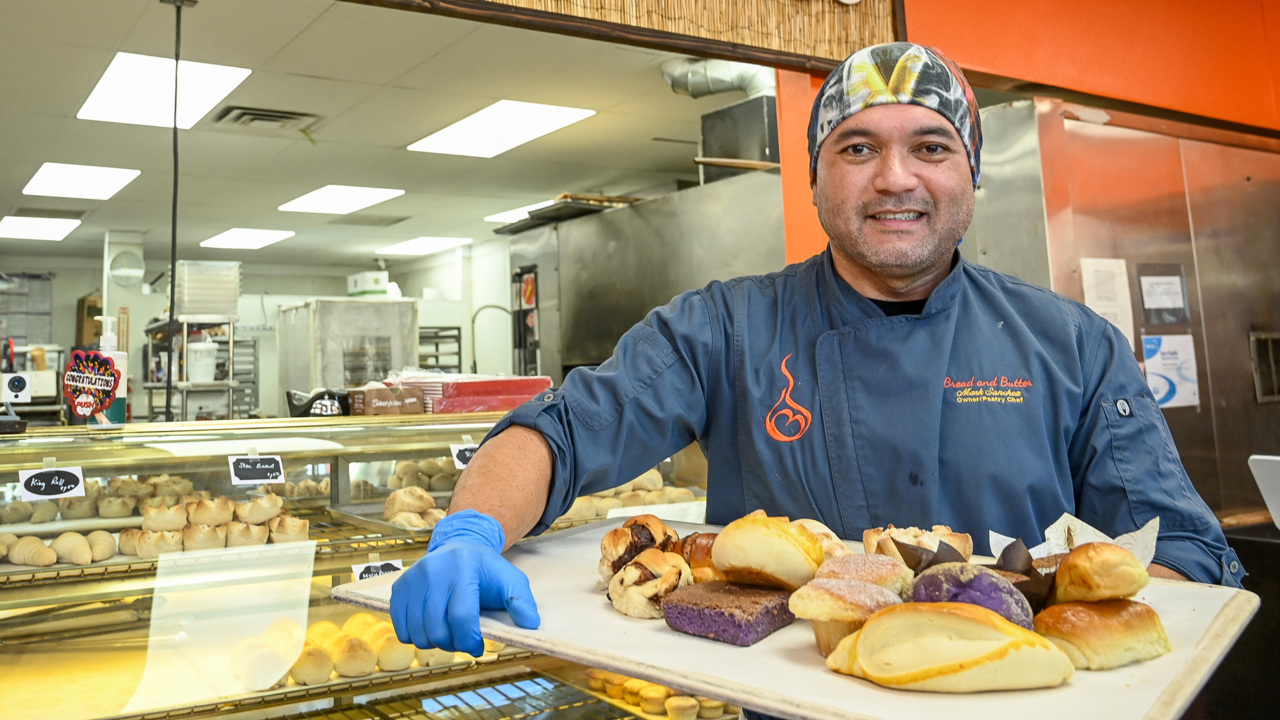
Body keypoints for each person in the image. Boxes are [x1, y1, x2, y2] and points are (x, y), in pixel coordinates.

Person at [391, 42, 1245, 656]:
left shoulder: (1072, 345)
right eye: (858, 148)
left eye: (932, 147)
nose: (896, 178)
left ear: (970, 175)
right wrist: (467, 533)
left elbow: (1183, 558)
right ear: (816, 176)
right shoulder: (724, 330)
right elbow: (555, 435)